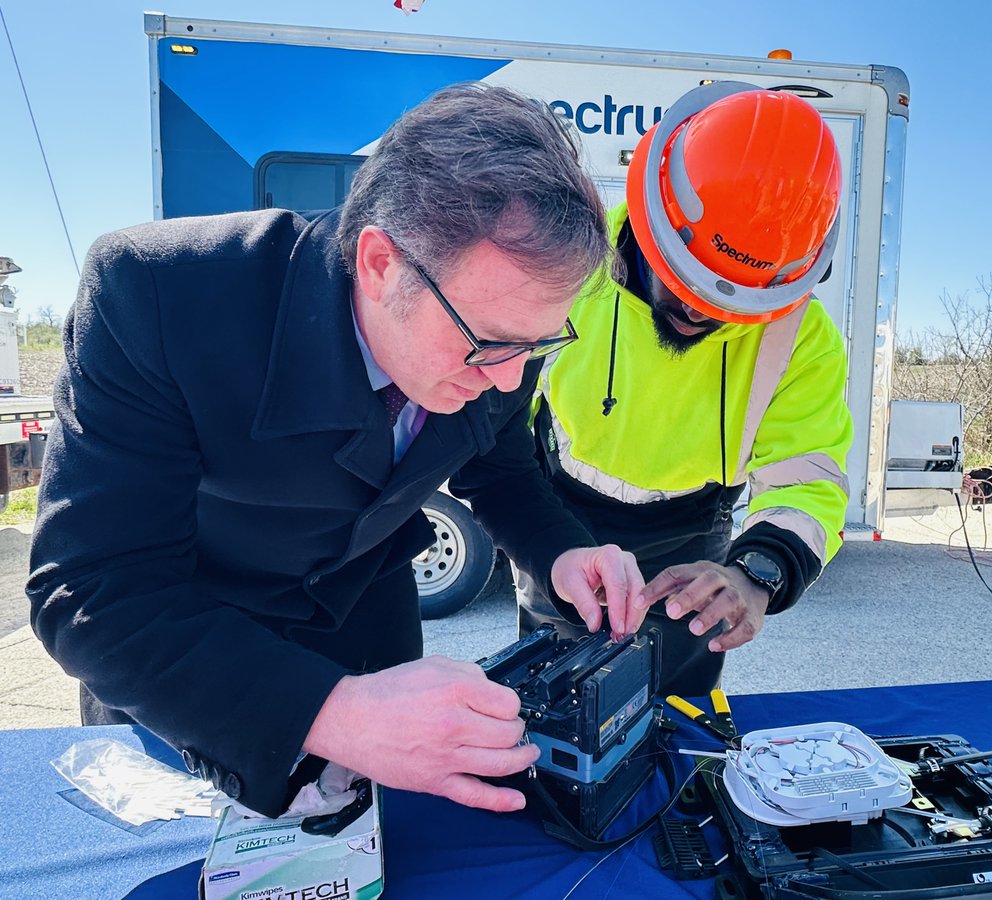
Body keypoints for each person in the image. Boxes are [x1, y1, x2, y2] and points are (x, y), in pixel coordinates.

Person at [26, 83, 650, 819]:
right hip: (189, 673)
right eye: (489, 346)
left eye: (539, 344)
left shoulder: (500, 320)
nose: (509, 379)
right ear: (382, 263)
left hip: (371, 645)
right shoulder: (158, 294)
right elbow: (92, 590)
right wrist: (333, 712)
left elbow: (500, 466)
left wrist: (561, 552)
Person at [517, 82, 854, 696]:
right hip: (559, 516)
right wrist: (545, 541)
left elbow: (808, 481)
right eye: (684, 279)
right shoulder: (568, 264)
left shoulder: (804, 337)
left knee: (679, 717)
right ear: (651, 216)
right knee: (549, 705)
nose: (698, 313)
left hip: (694, 541)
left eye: (732, 302)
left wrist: (757, 573)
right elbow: (503, 421)